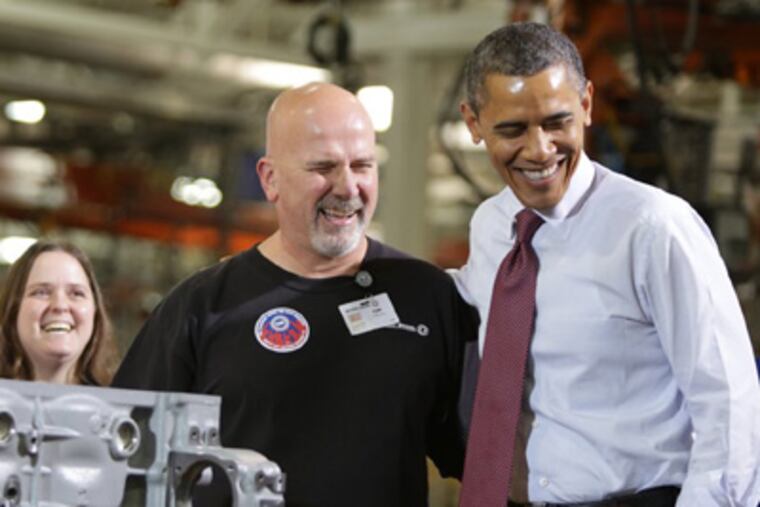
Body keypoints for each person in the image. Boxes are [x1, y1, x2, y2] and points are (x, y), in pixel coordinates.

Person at [112, 82, 476, 507]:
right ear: (270, 179)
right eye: (323, 167)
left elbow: (485, 457)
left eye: (362, 165)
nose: (348, 187)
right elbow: (125, 466)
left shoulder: (427, 296)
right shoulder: (200, 307)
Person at [453, 22, 760, 507]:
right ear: (473, 123)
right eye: (512, 130)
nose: (540, 149)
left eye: (557, 122)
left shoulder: (654, 228)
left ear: (587, 104)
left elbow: (730, 404)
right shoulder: (492, 226)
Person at [0, 240, 117, 385]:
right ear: (13, 311)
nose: (60, 305)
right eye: (41, 292)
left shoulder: (125, 399)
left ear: (95, 313)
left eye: (76, 293)